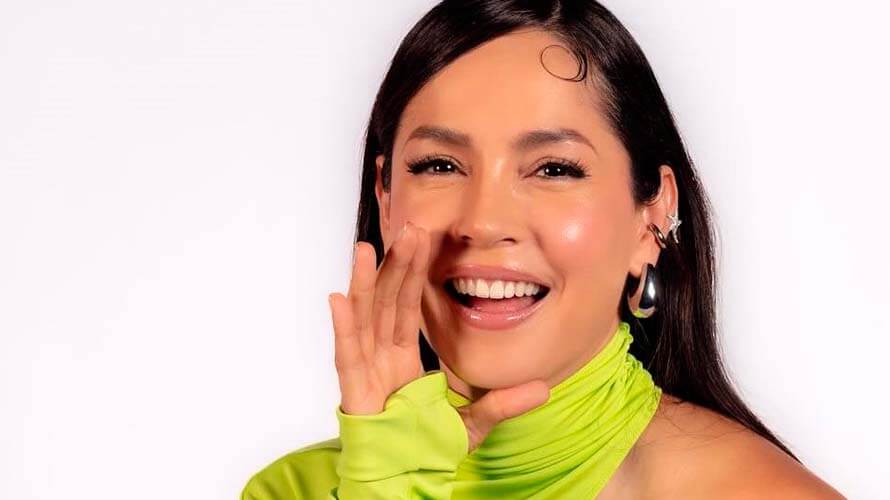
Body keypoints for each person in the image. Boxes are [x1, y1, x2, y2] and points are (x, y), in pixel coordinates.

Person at [242, 0, 845, 498]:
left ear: (652, 217)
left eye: (554, 169)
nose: (483, 222)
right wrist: (387, 485)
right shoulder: (296, 490)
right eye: (440, 165)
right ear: (385, 196)